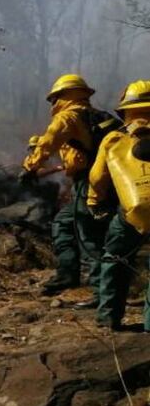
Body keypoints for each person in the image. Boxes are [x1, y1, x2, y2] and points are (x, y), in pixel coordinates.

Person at [22, 74, 117, 303]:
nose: (53, 104)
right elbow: (79, 156)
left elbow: (48, 141)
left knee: (90, 235)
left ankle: (100, 292)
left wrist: (30, 167)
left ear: (63, 96)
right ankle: (68, 274)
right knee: (65, 222)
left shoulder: (69, 116)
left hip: (89, 184)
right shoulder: (98, 117)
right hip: (109, 181)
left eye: (54, 98)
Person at [87, 80, 150, 331]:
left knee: (114, 258)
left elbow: (96, 177)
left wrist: (94, 203)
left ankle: (108, 319)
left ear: (126, 110)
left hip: (130, 214)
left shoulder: (114, 139)